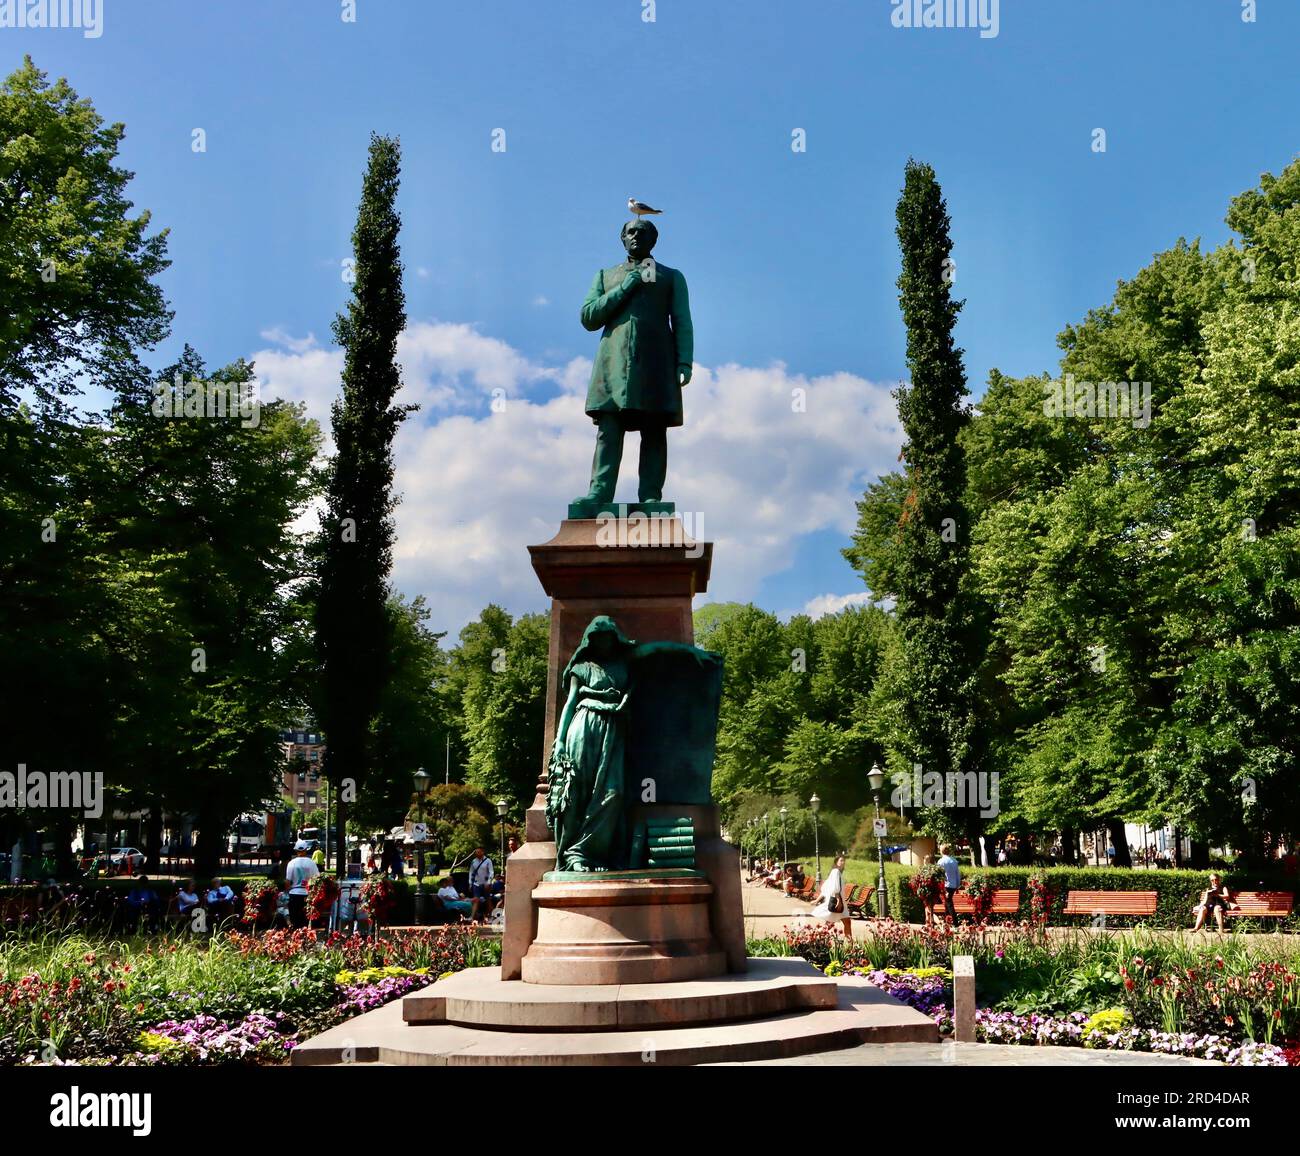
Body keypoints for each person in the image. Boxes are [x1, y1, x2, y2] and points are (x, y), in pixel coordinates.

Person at [809, 854, 853, 936]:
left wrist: (817, 900)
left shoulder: (836, 872)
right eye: (841, 860)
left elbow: (826, 888)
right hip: (838, 902)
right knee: (833, 924)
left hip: (840, 902)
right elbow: (835, 888)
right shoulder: (836, 872)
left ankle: (851, 945)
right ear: (836, 862)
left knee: (844, 923)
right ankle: (815, 938)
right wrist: (839, 901)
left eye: (844, 861)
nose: (843, 862)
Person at [284, 841, 319, 929]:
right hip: (307, 894)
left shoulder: (291, 863)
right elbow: (317, 879)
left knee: (295, 921)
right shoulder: (311, 863)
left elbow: (287, 882)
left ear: (296, 850)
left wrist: (286, 893)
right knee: (305, 921)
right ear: (306, 849)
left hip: (294, 893)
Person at [468, 846, 495, 922]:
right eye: (476, 852)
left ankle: (492, 916)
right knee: (476, 900)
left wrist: (489, 882)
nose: (477, 853)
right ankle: (472, 917)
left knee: (488, 901)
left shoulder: (488, 861)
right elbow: (471, 873)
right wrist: (470, 883)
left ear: (482, 852)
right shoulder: (473, 861)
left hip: (486, 884)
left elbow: (491, 872)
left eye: (479, 852)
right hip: (476, 884)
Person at [937, 843, 962, 923]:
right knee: (947, 903)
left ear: (941, 851)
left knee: (948, 903)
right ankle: (947, 921)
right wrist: (958, 885)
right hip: (953, 884)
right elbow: (957, 874)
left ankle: (955, 922)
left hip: (946, 885)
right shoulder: (954, 861)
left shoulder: (941, 861)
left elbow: (939, 874)